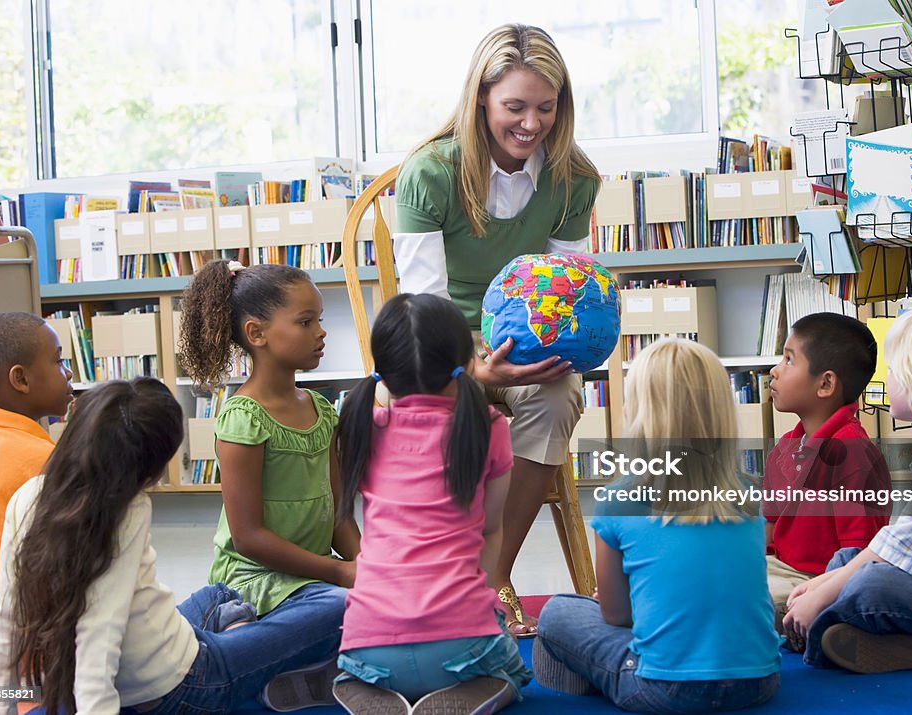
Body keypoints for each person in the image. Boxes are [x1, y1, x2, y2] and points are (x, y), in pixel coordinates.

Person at [393, 22, 601, 637]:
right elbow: (421, 307)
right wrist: (474, 367)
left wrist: (559, 348)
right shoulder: (430, 173)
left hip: (525, 341)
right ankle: (434, 575)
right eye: (514, 106)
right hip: (440, 344)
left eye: (546, 106)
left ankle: (489, 579)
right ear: (480, 98)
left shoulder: (573, 179)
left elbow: (572, 289)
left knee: (560, 396)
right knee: (431, 406)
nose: (531, 124)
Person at [0, 378, 350, 714]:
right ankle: (249, 658)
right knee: (338, 606)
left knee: (219, 595)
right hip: (185, 684)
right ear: (148, 467)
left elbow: (3, 617)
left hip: (156, 646)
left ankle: (229, 627)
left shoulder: (29, 494)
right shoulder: (127, 510)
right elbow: (100, 634)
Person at [534, 338, 781, 713]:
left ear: (639, 411)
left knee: (559, 611)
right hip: (759, 682)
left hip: (664, 689)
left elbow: (615, 615)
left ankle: (593, 680)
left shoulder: (617, 499)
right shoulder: (749, 494)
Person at [331, 293, 531, 715]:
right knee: (513, 662)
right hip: (460, 644)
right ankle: (487, 686)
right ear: (467, 359)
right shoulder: (488, 427)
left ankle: (363, 684)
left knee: (359, 654)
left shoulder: (361, 424)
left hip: (369, 644)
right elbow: (491, 529)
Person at [179, 259, 360, 707]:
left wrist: (370, 566)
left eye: (318, 319)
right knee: (342, 608)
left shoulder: (322, 410)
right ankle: (230, 635)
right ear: (257, 334)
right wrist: (341, 572)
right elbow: (249, 538)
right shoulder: (242, 417)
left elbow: (339, 514)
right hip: (255, 577)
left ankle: (287, 666)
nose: (321, 332)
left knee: (393, 598)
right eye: (305, 321)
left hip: (313, 573)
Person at [784, 303, 912, 674]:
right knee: (846, 562)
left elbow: (896, 551)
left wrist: (821, 593)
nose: (887, 379)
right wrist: (822, 585)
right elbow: (894, 546)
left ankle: (821, 631)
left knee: (871, 584)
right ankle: (890, 644)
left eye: (893, 370)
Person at [764, 312, 891, 643]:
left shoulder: (852, 454)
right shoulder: (787, 446)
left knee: (749, 603)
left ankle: (840, 629)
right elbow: (769, 527)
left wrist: (819, 592)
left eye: (789, 360)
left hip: (824, 578)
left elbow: (859, 553)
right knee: (713, 583)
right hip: (782, 568)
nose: (774, 371)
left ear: (825, 384)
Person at [0, 312, 72, 685]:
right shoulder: (46, 464)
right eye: (59, 360)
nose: (69, 373)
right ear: (21, 379)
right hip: (46, 653)